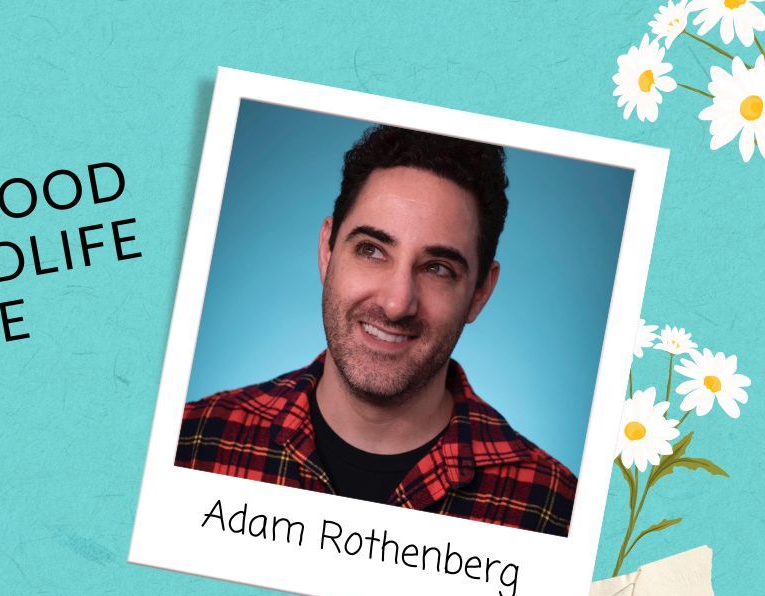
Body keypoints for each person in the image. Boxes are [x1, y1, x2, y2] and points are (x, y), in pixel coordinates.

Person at [175, 125, 576, 536]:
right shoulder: (191, 441)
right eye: (372, 250)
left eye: (438, 268)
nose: (396, 303)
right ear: (327, 250)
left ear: (479, 293)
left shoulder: (557, 510)